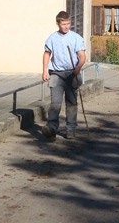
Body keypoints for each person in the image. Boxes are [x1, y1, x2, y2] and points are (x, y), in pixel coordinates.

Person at [41, 10, 86, 141]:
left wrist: (78, 67)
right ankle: (51, 129)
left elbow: (82, 56)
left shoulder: (76, 38)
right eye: (63, 24)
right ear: (58, 24)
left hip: (72, 73)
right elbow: (47, 54)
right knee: (55, 103)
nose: (66, 26)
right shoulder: (52, 38)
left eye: (68, 24)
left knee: (71, 103)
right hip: (56, 74)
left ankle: (71, 129)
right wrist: (44, 70)